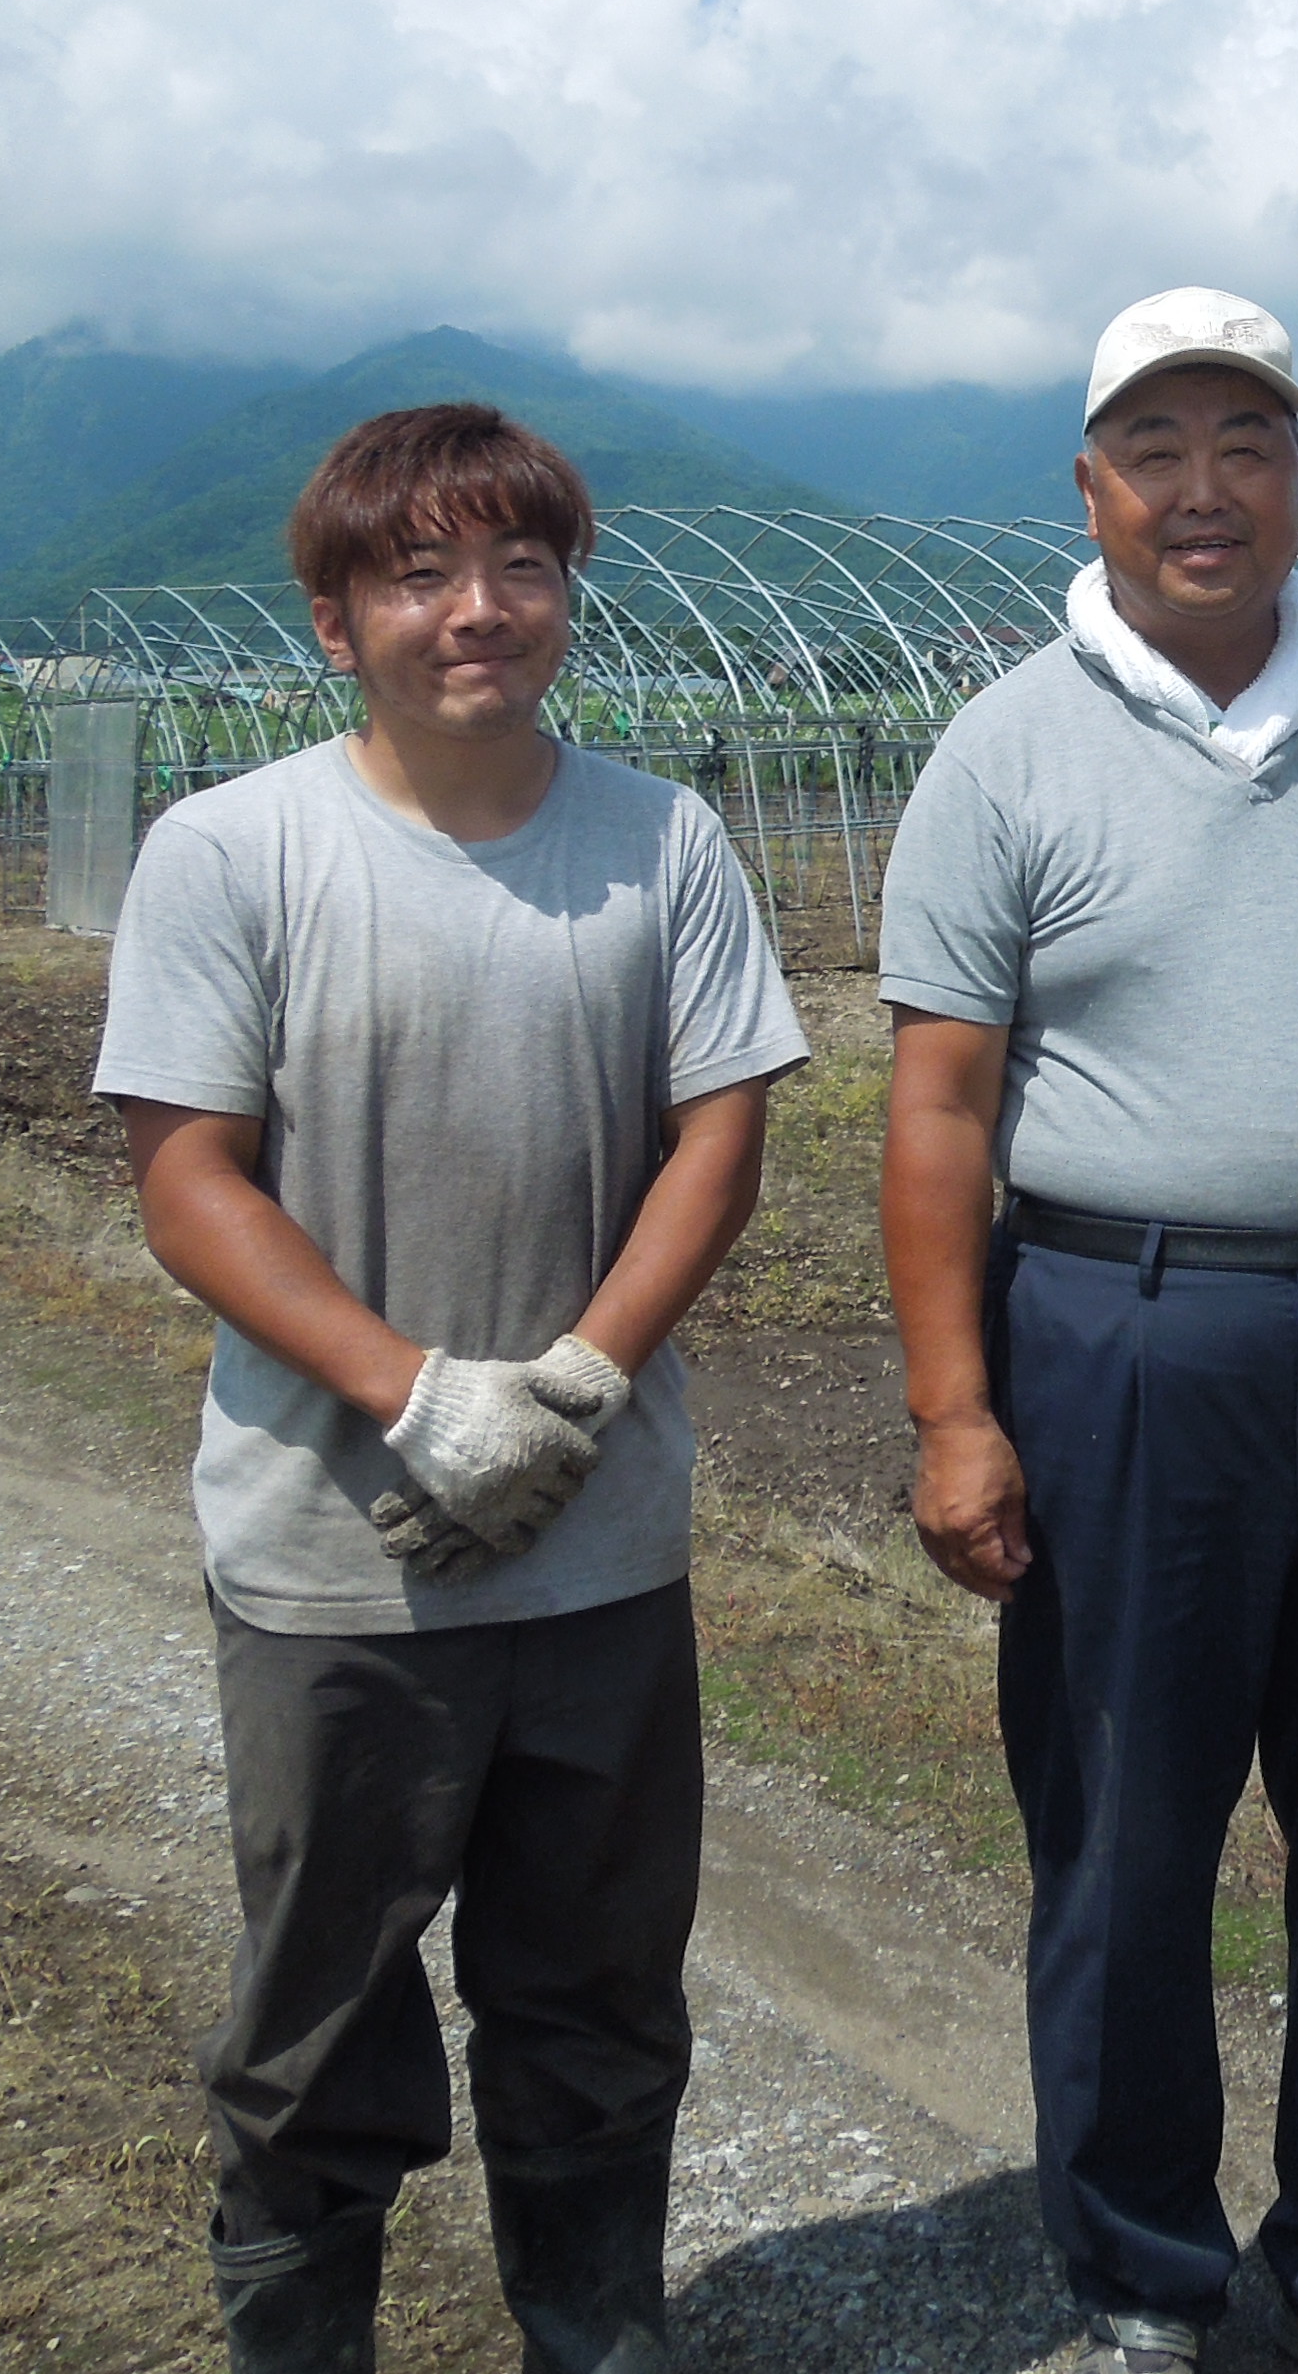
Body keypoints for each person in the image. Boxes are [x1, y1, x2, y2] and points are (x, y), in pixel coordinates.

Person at [879, 286, 1298, 2374]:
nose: (1205, 488)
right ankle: (1146, 2279)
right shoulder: (1007, 748)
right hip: (1120, 1333)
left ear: (1296, 474)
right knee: (1128, 1836)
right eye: (1156, 447)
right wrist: (952, 1412)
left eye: (1245, 443)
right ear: (1089, 486)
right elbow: (936, 1106)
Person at [96, 402, 809, 2374]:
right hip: (340, 1563)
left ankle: (596, 2327)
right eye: (417, 576)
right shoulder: (233, 852)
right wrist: (419, 1397)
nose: (474, 612)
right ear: (337, 622)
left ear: (569, 591)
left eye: (517, 567)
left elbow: (721, 1134)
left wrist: (573, 1385)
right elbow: (187, 1175)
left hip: (598, 1554)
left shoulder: (661, 838)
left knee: (593, 1995)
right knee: (318, 2009)